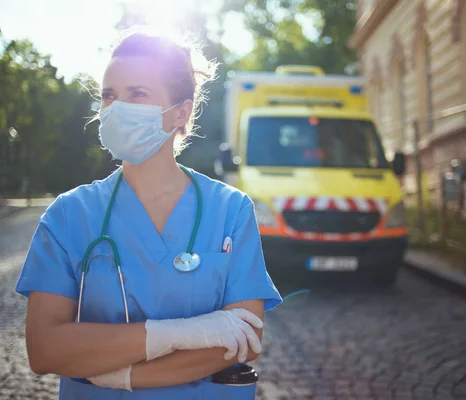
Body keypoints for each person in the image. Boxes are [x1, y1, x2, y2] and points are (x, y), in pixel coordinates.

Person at [15, 30, 282, 399]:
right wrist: (177, 335)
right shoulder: (68, 215)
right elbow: (45, 349)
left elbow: (246, 338)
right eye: (109, 96)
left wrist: (124, 377)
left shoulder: (230, 210)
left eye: (137, 94)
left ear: (181, 112)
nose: (115, 107)